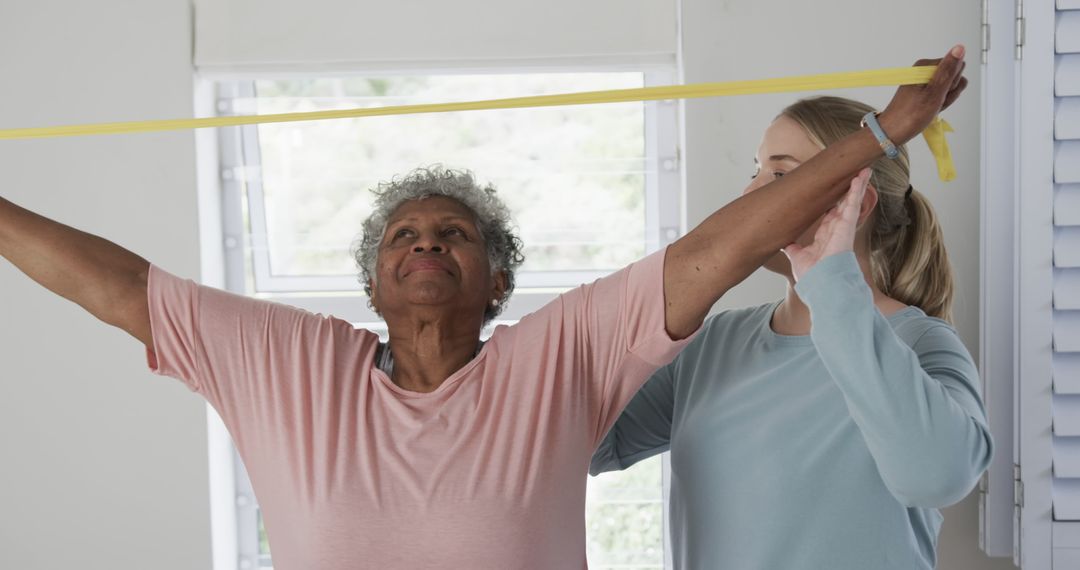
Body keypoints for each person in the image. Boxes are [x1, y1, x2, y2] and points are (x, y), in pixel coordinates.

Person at [0, 49, 967, 569]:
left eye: (456, 234)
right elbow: (120, 289)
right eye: (400, 237)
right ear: (369, 285)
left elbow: (711, 256)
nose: (426, 242)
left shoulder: (562, 361)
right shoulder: (286, 362)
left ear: (500, 279)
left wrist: (881, 133)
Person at [590, 94, 992, 570]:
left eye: (780, 175)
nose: (749, 194)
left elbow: (937, 476)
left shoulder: (921, 344)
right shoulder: (714, 343)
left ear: (856, 205)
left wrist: (832, 287)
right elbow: (584, 444)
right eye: (755, 171)